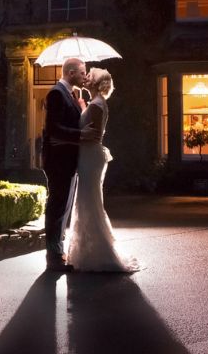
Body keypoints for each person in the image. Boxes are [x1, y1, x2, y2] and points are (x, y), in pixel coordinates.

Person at [67, 67, 141, 272]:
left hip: (91, 156)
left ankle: (98, 253)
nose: (86, 77)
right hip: (88, 156)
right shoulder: (94, 103)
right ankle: (86, 250)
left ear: (97, 84)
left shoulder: (98, 104)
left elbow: (95, 135)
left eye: (90, 76)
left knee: (89, 202)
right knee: (86, 201)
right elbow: (89, 124)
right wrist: (82, 106)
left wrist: (71, 135)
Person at [42, 57, 99, 272]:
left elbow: (68, 121)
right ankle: (53, 257)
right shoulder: (56, 93)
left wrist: (81, 108)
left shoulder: (72, 95)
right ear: (72, 72)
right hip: (58, 161)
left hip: (69, 161)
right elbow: (53, 129)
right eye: (82, 72)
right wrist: (81, 134)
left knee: (64, 207)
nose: (85, 76)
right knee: (57, 207)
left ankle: (59, 251)